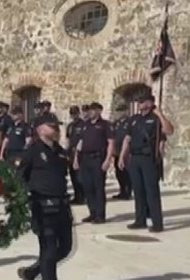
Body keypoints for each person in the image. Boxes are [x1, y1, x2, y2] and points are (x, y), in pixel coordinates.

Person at [16, 114, 73, 280]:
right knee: (48, 249)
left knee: (66, 248)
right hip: (43, 207)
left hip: (62, 206)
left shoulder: (61, 152)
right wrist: (24, 199)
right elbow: (19, 177)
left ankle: (31, 272)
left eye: (57, 126)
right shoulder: (32, 151)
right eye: (51, 126)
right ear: (40, 129)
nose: (56, 129)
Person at [119, 94, 174, 232]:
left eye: (142, 101)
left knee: (152, 191)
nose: (140, 103)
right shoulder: (134, 119)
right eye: (139, 101)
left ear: (150, 103)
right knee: (138, 190)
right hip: (135, 158)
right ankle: (140, 220)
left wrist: (160, 114)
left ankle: (157, 223)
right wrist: (122, 156)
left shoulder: (155, 119)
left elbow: (169, 130)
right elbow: (127, 138)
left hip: (149, 158)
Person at [74, 102, 113, 223]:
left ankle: (100, 215)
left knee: (98, 187)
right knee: (87, 187)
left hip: (98, 159)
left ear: (99, 111)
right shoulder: (85, 125)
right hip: (85, 159)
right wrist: (76, 158)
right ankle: (92, 212)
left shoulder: (105, 125)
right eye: (89, 110)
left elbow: (111, 143)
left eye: (93, 110)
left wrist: (108, 160)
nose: (90, 112)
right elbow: (80, 143)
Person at [110, 104, 133, 200]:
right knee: (119, 172)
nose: (119, 113)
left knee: (126, 172)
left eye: (121, 111)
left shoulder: (130, 122)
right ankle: (122, 190)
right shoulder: (116, 123)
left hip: (127, 152)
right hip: (117, 152)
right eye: (118, 111)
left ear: (126, 111)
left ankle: (127, 191)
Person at [64, 106, 86, 205]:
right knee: (73, 176)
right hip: (71, 154)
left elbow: (84, 139)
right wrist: (66, 152)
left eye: (75, 113)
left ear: (78, 113)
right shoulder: (70, 126)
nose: (73, 115)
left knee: (80, 177)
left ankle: (82, 196)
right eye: (72, 113)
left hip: (81, 154)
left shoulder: (83, 125)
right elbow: (68, 139)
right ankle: (77, 196)